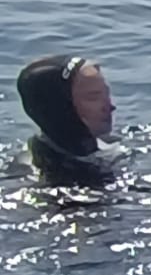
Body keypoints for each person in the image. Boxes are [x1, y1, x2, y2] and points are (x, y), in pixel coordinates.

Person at [16, 55, 118, 185]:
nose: (111, 107)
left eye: (106, 93)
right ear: (61, 108)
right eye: (93, 97)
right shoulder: (57, 186)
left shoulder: (106, 147)